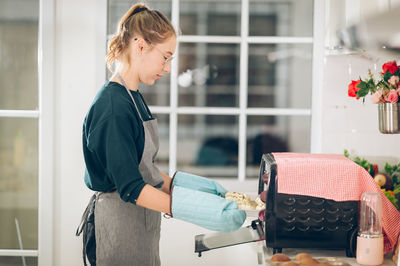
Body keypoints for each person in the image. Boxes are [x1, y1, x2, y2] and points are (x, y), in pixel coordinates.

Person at [76, 3, 246, 266]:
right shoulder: (112, 108)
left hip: (138, 223)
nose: (167, 68)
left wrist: (201, 192)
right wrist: (192, 207)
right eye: (165, 56)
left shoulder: (133, 98)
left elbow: (144, 170)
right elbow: (131, 187)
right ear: (141, 46)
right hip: (119, 227)